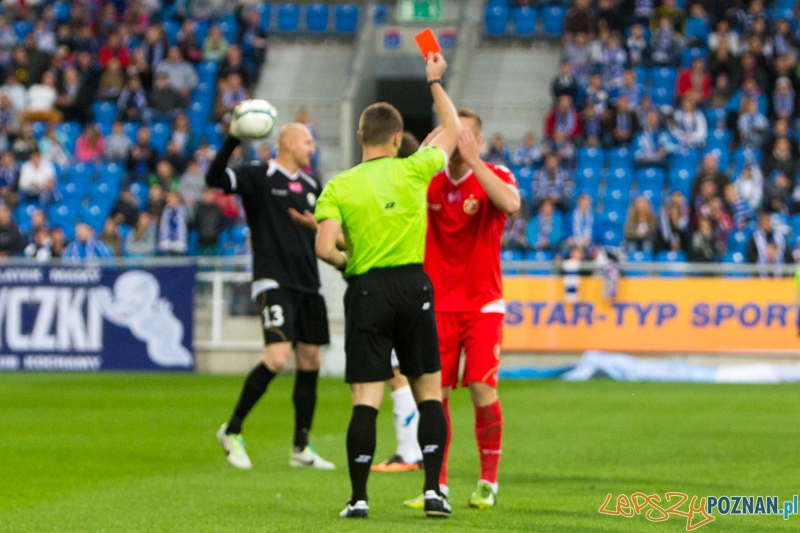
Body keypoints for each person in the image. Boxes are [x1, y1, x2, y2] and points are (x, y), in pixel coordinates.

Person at [314, 52, 461, 519]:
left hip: (366, 289)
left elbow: (323, 248)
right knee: (429, 390)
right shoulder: (415, 168)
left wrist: (350, 260)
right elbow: (454, 132)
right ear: (398, 139)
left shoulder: (338, 185)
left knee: (366, 399)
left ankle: (358, 499)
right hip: (413, 285)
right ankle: (435, 491)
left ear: (360, 137)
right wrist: (434, 83)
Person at [205, 118, 335, 472]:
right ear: (290, 144)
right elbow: (214, 179)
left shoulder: (312, 184)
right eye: (308, 141)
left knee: (311, 361)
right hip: (274, 281)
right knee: (277, 358)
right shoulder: (258, 175)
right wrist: (233, 137)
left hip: (309, 283)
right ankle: (231, 430)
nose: (312, 148)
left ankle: (301, 447)